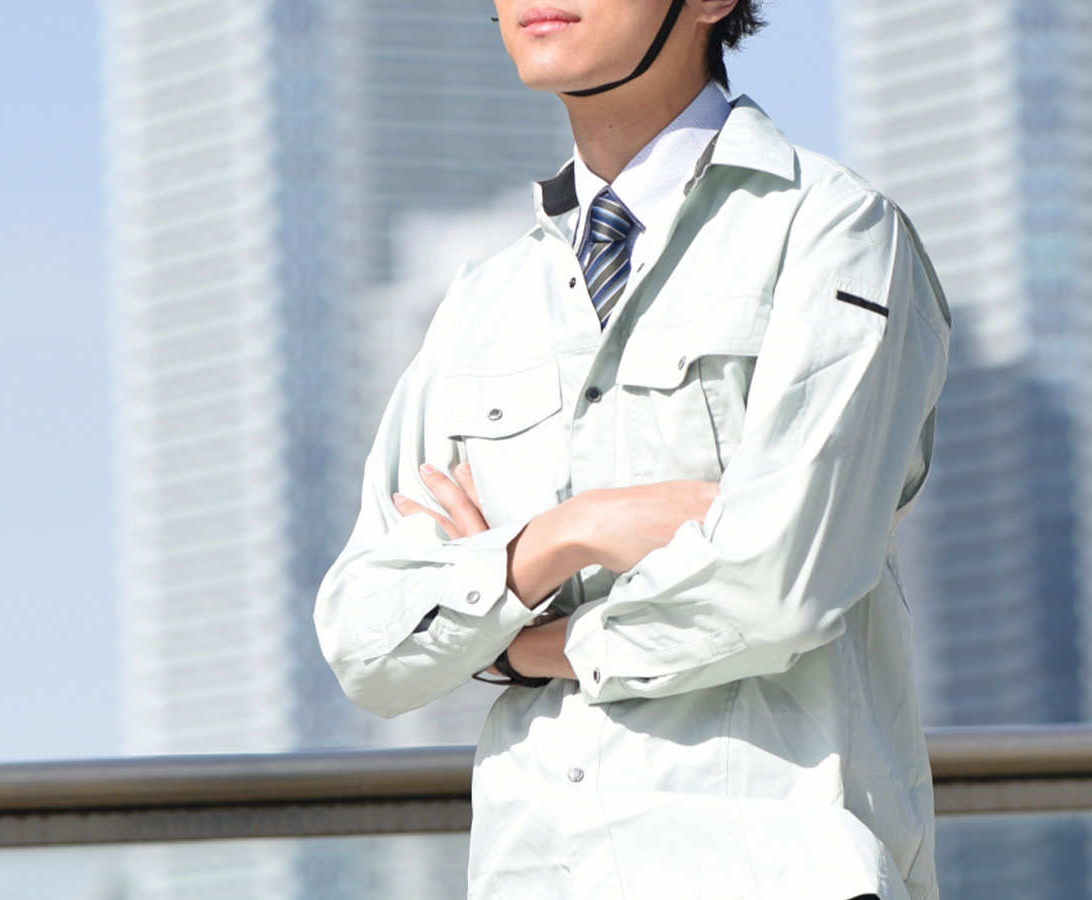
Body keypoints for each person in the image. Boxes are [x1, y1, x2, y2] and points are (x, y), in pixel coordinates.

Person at [315, 1, 951, 898]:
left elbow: (778, 586)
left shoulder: (832, 232)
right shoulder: (482, 304)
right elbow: (366, 641)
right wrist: (564, 536)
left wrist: (513, 644)